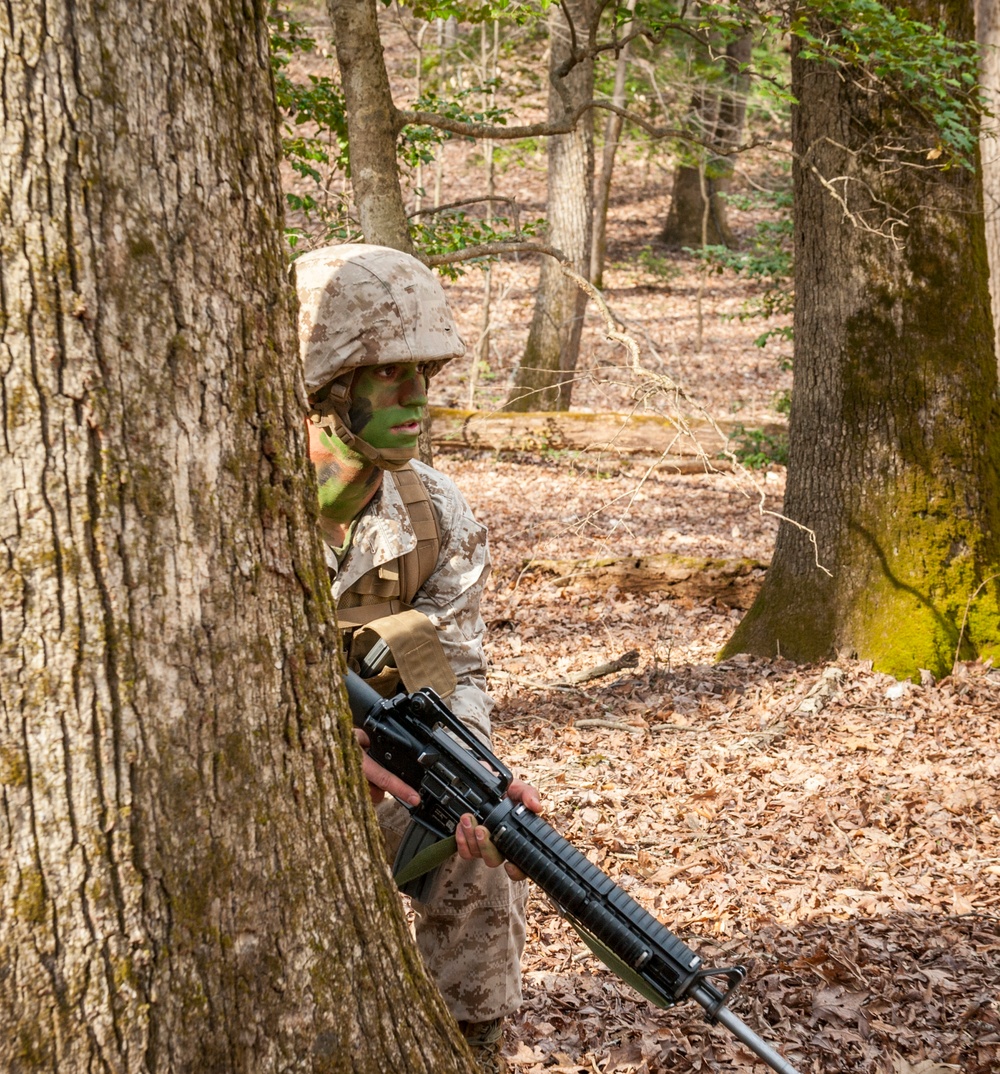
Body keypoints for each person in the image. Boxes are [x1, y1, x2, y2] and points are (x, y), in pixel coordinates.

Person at [295, 244, 540, 1074]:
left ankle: (467, 1052)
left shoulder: (434, 510)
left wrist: (467, 769)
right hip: (252, 778)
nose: (416, 397)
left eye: (425, 373)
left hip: (382, 776)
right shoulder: (241, 497)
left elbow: (457, 667)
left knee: (477, 866)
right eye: (388, 374)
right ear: (326, 386)